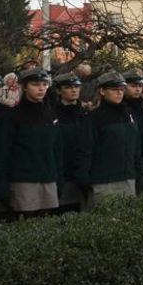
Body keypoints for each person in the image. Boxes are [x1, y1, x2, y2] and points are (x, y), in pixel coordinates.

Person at [0, 68, 63, 216]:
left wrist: (59, 180)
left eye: (44, 84)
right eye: (35, 84)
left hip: (49, 179)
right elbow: (2, 151)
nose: (41, 88)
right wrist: (2, 187)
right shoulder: (12, 116)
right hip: (23, 181)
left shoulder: (50, 114)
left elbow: (57, 149)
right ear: (24, 87)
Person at [87, 71, 143, 208]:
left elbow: (135, 146)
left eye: (121, 89)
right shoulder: (94, 118)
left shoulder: (129, 115)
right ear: (102, 91)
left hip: (128, 177)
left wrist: (138, 170)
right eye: (114, 89)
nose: (119, 93)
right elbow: (86, 150)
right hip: (104, 180)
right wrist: (86, 180)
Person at [52, 71, 92, 210]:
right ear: (59, 90)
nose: (74, 90)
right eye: (68, 87)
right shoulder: (52, 115)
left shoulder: (87, 114)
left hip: (84, 174)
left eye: (76, 86)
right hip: (62, 173)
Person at [122, 69, 143, 193]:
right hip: (130, 163)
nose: (137, 89)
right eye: (133, 86)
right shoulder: (122, 109)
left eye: (139, 86)